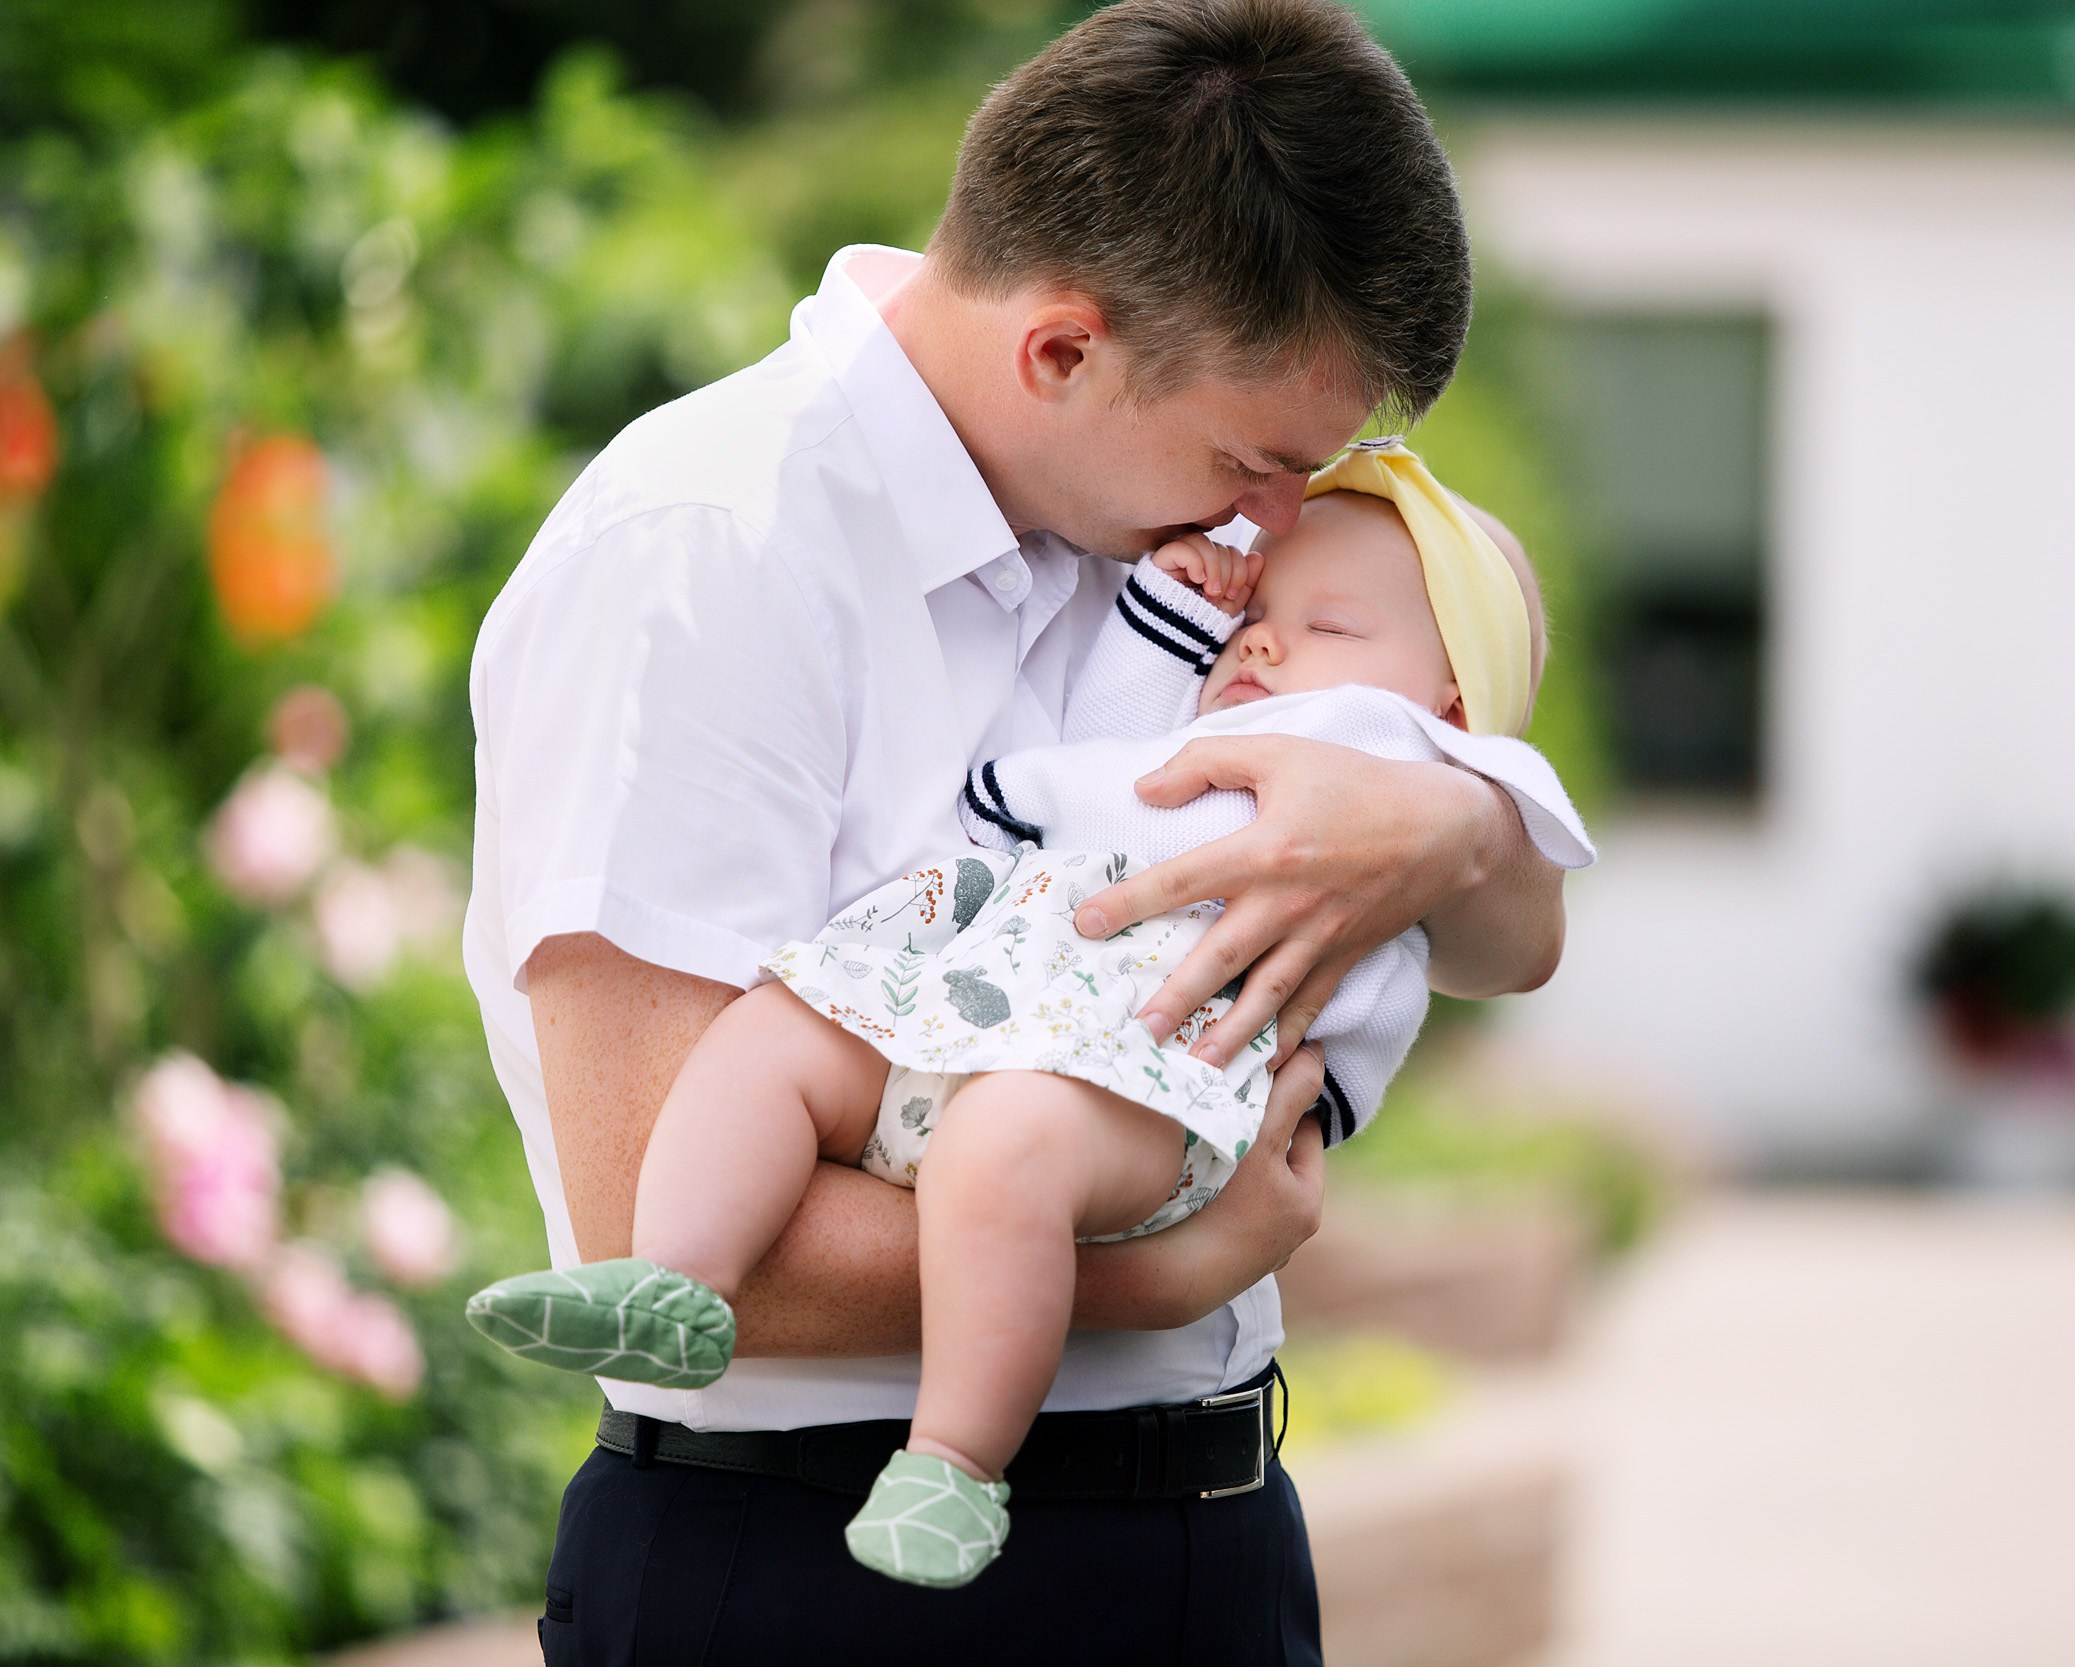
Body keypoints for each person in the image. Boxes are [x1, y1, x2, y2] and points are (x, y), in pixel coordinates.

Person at [462, 1, 1568, 1658]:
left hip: (1218, 1546)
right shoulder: (710, 548)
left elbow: (1513, 931)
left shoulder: (1178, 548)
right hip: (812, 1570)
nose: (1277, 524)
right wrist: (1168, 1268)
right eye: (1256, 458)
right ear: (1060, 348)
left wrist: (1441, 826)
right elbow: (657, 1214)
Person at [466, 441, 1594, 1589]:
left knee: (997, 1151)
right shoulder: (1186, 732)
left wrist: (1466, 806)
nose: (1264, 638)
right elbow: (1100, 737)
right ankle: (678, 1282)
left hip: (1152, 1076)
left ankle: (952, 1466)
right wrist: (1173, 604)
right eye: (1265, 604)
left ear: (1455, 701)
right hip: (978, 1001)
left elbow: (1530, 851)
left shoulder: (1423, 770)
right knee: (778, 1031)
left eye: (1334, 626)